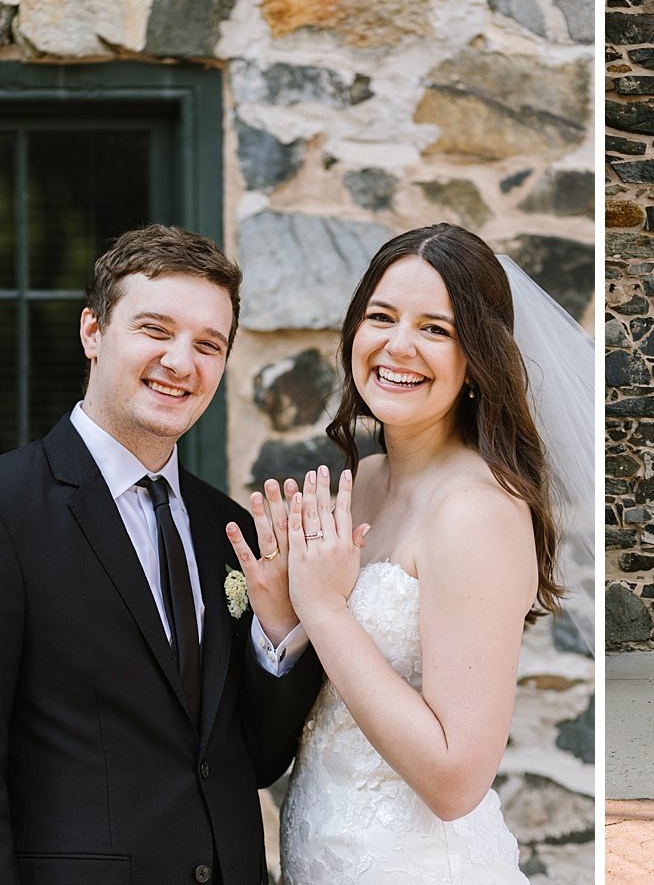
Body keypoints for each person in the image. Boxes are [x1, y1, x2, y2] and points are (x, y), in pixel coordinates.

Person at [234, 224, 592, 883]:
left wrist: (325, 610)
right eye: (381, 317)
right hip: (324, 853)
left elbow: (457, 779)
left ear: (477, 359)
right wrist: (284, 620)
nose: (398, 346)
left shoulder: (477, 511)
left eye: (436, 328)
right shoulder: (364, 481)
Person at [0, 225, 323, 883]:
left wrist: (280, 634)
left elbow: (252, 761)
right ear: (93, 332)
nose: (183, 362)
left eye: (209, 344)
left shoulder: (230, 530)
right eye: (156, 330)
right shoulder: (8, 507)